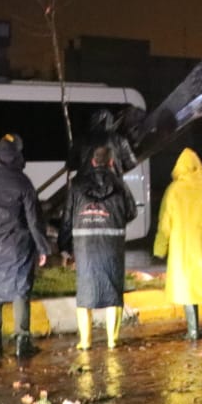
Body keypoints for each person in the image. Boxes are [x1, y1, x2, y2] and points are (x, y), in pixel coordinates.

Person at [0, 134, 49, 358]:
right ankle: (21, 342)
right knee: (20, 292)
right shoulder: (22, 182)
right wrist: (42, 247)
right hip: (18, 246)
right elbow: (34, 220)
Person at [62, 145, 137, 350]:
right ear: (111, 162)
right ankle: (113, 340)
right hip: (112, 245)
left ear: (93, 161)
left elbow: (67, 218)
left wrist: (64, 246)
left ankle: (85, 342)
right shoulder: (120, 185)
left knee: (85, 292)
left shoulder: (76, 185)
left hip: (85, 247)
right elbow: (131, 212)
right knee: (113, 291)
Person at [154, 147, 202, 340]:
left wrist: (160, 248)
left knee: (187, 288)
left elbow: (164, 222)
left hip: (183, 248)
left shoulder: (174, 190)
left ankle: (193, 331)